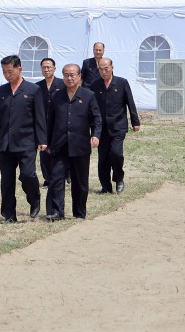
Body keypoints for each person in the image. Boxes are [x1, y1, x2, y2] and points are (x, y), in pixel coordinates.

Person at [0, 55, 46, 222]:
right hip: (6, 144)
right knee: (7, 180)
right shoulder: (1, 91)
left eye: (10, 71)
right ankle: (8, 214)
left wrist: (42, 140)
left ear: (20, 68)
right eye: (4, 72)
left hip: (26, 143)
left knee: (27, 175)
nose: (7, 75)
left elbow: (40, 117)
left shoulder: (33, 90)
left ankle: (34, 199)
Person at [44, 63, 101, 220]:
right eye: (66, 75)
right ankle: (56, 212)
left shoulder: (88, 95)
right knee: (56, 179)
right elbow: (50, 121)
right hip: (59, 145)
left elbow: (96, 118)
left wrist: (96, 135)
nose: (69, 78)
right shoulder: (56, 96)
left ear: (79, 76)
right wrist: (46, 142)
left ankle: (79, 212)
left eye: (72, 75)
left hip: (80, 145)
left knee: (80, 182)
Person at [89, 57, 139, 193]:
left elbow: (130, 102)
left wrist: (136, 122)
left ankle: (118, 179)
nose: (104, 71)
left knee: (116, 154)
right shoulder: (95, 85)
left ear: (112, 68)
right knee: (103, 158)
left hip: (118, 125)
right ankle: (105, 187)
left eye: (106, 68)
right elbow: (91, 108)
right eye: (101, 69)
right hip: (101, 128)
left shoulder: (121, 83)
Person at [35, 57, 63, 187]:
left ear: (54, 69)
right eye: (44, 67)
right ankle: (47, 177)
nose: (46, 70)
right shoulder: (37, 86)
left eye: (48, 67)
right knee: (44, 151)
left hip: (58, 124)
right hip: (43, 124)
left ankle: (62, 174)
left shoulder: (62, 84)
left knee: (58, 150)